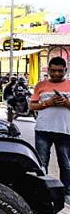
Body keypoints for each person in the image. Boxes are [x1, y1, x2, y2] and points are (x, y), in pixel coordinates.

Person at [29, 57, 70, 204]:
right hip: (43, 129)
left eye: (60, 71)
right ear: (49, 70)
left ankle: (66, 193)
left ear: (65, 70)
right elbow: (32, 106)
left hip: (65, 130)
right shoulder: (41, 85)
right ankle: (41, 193)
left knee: (66, 163)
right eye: (53, 71)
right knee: (41, 163)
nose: (56, 74)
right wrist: (48, 103)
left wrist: (66, 103)